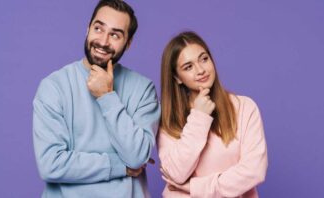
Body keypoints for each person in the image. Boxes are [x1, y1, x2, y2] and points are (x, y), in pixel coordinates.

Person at [32, 0, 160, 197]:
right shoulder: (54, 86)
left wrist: (106, 96)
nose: (103, 41)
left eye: (115, 35)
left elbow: (135, 157)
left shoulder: (144, 89)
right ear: (87, 29)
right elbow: (51, 164)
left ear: (129, 43)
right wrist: (119, 166)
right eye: (98, 28)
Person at [157, 31, 268, 198]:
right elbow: (176, 174)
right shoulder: (168, 120)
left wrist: (195, 187)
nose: (201, 70)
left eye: (204, 59)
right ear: (177, 77)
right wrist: (199, 117)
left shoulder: (245, 107)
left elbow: (254, 171)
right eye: (188, 67)